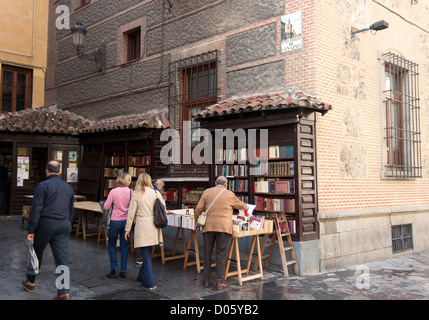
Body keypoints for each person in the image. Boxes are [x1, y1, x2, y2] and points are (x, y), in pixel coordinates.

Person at [21, 160, 75, 300]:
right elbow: (71, 210)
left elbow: (36, 209)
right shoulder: (68, 187)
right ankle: (63, 292)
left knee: (36, 253)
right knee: (62, 258)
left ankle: (30, 281)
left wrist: (31, 230)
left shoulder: (43, 186)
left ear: (46, 171)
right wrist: (68, 223)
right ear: (59, 172)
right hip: (63, 224)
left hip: (46, 224)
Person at [194, 176, 247, 290]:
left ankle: (206, 280)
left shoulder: (207, 192)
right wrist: (247, 206)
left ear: (215, 183)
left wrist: (197, 221)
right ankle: (220, 281)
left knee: (207, 253)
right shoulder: (229, 194)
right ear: (225, 184)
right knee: (221, 254)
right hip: (223, 227)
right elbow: (240, 205)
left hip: (208, 226)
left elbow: (198, 208)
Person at [125, 173, 163, 289]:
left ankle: (150, 282)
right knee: (147, 251)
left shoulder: (137, 194)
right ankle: (141, 277)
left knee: (145, 253)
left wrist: (127, 229)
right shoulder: (156, 193)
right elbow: (163, 207)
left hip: (142, 224)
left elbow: (131, 213)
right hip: (153, 224)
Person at [104, 172, 132, 279]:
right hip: (127, 222)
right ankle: (123, 271)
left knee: (111, 244)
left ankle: (114, 268)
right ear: (128, 181)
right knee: (125, 246)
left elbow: (106, 207)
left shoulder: (113, 191)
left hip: (115, 221)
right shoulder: (131, 192)